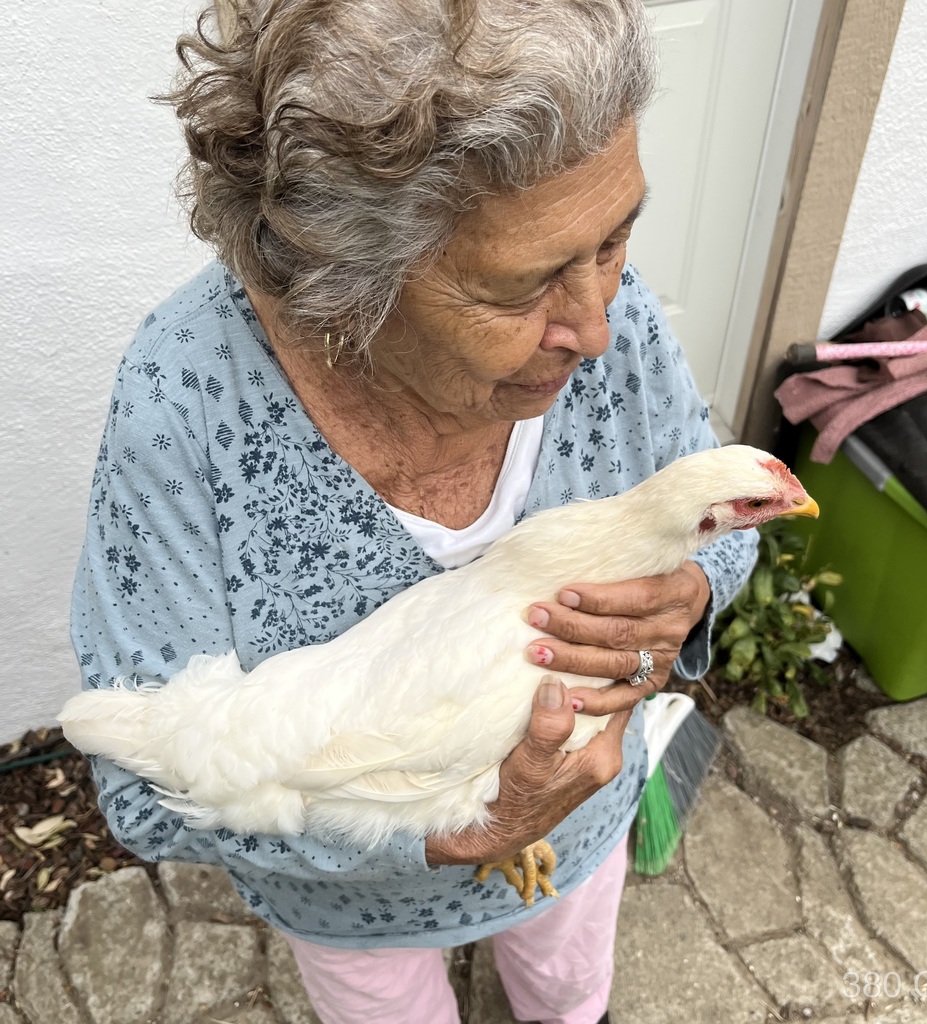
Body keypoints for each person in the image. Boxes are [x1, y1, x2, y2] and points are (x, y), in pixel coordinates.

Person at [70, 1, 759, 1021]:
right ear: (345, 288)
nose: (598, 327)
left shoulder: (603, 307)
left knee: (571, 993)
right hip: (358, 912)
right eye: (519, 289)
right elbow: (139, 784)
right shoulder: (186, 401)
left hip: (579, 831)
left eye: (616, 238)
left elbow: (721, 511)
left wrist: (689, 590)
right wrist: (447, 831)